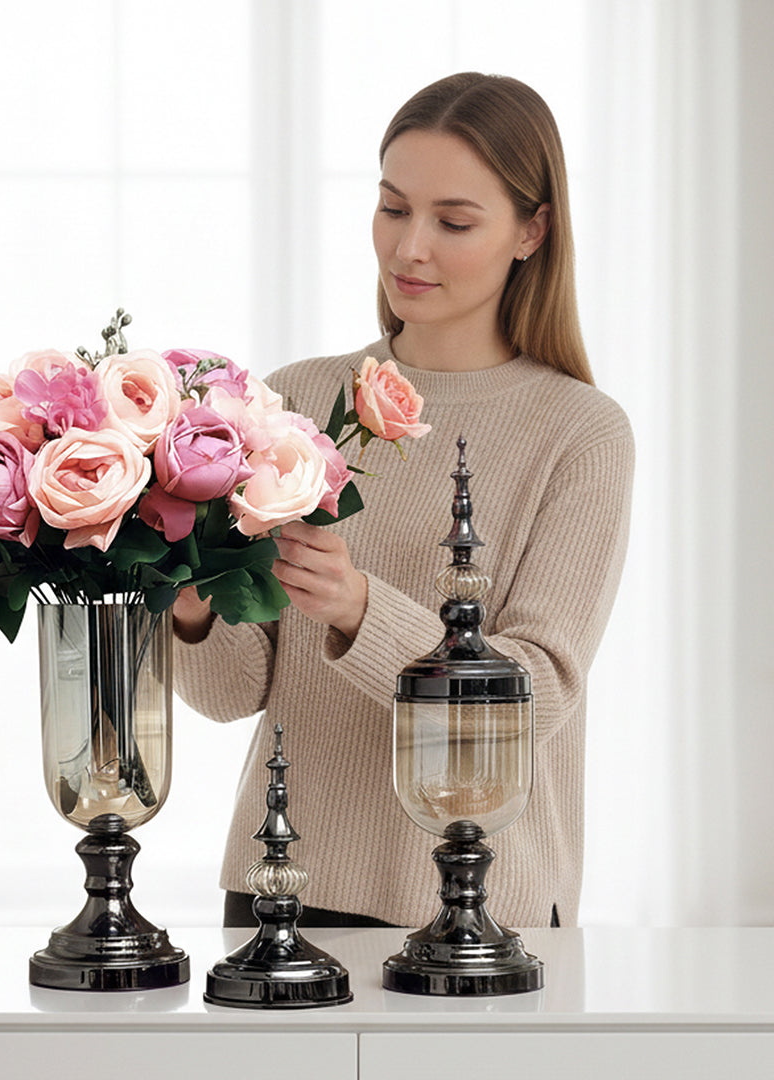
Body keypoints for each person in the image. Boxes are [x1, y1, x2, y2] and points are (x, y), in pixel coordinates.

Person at [172, 72, 634, 930]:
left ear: (532, 230)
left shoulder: (581, 431)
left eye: (453, 222)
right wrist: (191, 591)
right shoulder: (297, 397)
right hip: (284, 894)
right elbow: (233, 693)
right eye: (392, 207)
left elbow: (535, 696)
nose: (408, 248)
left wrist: (358, 608)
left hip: (478, 913)